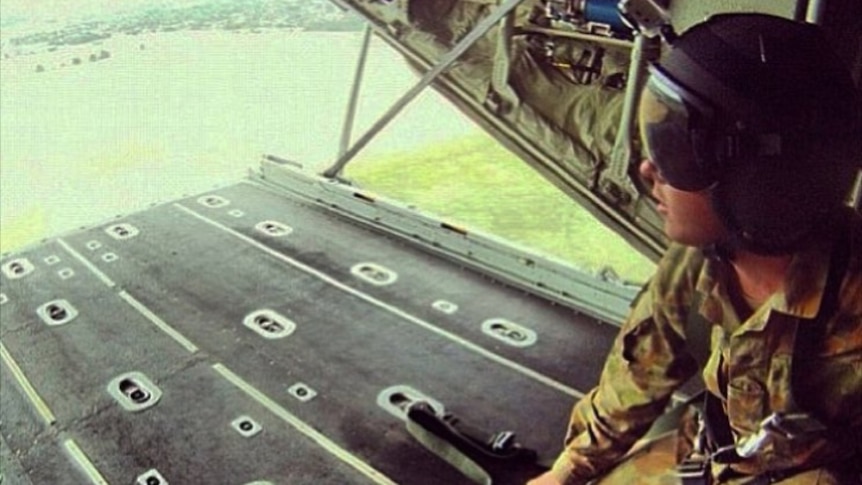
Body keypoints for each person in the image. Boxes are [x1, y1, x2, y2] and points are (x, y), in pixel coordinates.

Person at [528, 12, 861, 485]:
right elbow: (640, 373)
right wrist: (565, 473)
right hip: (714, 450)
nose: (648, 170)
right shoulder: (698, 261)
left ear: (763, 184)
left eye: (676, 152)